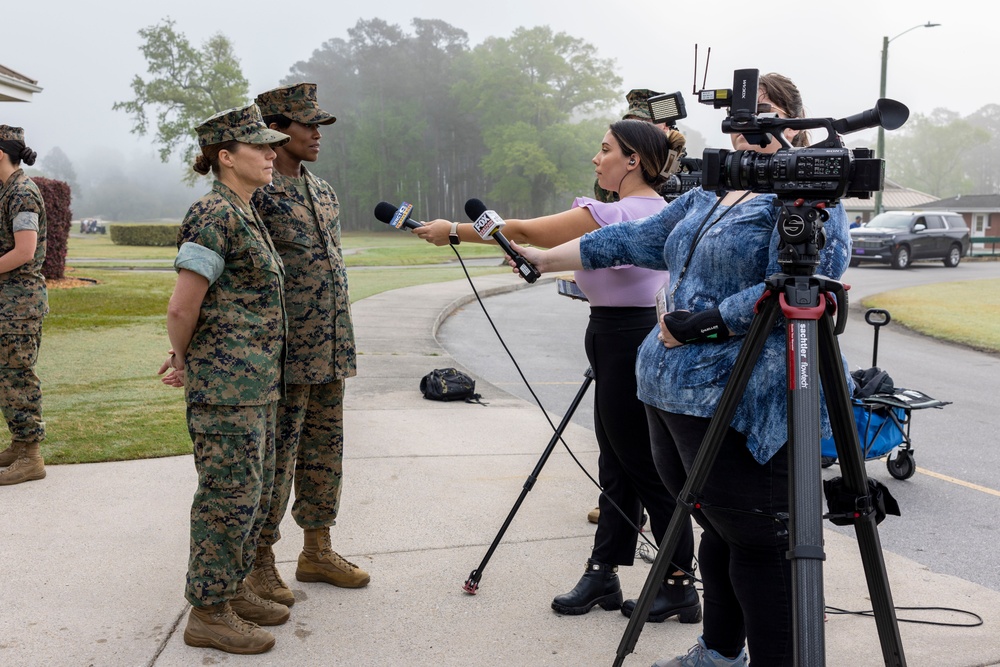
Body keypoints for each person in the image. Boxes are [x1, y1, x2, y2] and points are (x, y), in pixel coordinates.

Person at [509, 73, 850, 667]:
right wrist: (539, 258)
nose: (751, 128)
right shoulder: (707, 194)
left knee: (758, 543)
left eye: (765, 113)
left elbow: (803, 289)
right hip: (671, 398)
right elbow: (627, 241)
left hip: (745, 402)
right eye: (743, 115)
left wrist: (705, 323)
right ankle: (719, 654)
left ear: (796, 122)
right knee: (717, 531)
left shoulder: (805, 199)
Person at [413, 119, 701, 625]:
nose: (596, 157)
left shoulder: (617, 211)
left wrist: (452, 232)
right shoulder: (652, 208)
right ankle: (603, 571)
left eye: (605, 149)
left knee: (641, 466)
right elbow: (556, 255)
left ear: (633, 160)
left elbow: (523, 231)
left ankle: (679, 583)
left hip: (626, 338)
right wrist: (538, 260)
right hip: (617, 333)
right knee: (617, 462)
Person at [158, 104, 292, 655]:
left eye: (271, 144)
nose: (270, 153)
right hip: (226, 389)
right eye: (259, 146)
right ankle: (208, 611)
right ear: (225, 156)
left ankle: (232, 591)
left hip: (254, 385)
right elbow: (182, 307)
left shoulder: (244, 209)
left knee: (250, 492)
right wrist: (186, 359)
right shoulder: (213, 214)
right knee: (226, 496)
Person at [245, 82, 367, 608]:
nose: (317, 134)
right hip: (284, 355)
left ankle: (317, 550)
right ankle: (259, 561)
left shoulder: (321, 190)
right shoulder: (260, 192)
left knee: (324, 454)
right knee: (276, 460)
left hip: (330, 350)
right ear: (277, 130)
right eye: (308, 125)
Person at [0, 125, 47, 486]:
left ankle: (31, 456)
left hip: (19, 304)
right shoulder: (7, 191)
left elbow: (24, 251)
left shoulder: (22, 193)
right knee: (7, 377)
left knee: (17, 376)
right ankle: (19, 443)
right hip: (8, 302)